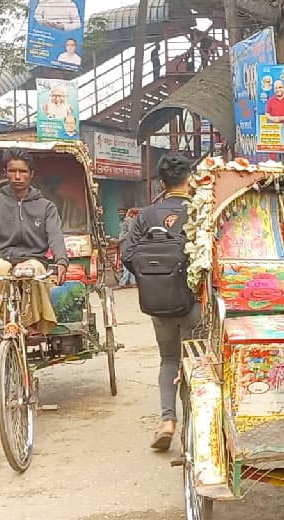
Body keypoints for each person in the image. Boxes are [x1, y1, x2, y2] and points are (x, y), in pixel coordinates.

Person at [122, 154, 200, 451]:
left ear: (162, 182)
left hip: (159, 304)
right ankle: (194, 428)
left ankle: (168, 421)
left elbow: (129, 255)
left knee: (169, 359)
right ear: (188, 179)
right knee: (195, 362)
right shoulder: (199, 211)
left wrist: (154, 278)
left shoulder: (145, 216)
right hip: (194, 303)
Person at [0, 149, 69, 334]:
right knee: (2, 269)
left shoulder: (46, 207)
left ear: (31, 174)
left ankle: (32, 325)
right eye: (12, 171)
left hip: (33, 258)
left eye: (23, 171)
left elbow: (55, 235)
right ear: (6, 173)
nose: (17, 176)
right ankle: (7, 322)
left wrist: (61, 261)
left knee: (32, 270)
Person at [117, 208, 137, 288]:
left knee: (126, 262)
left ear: (125, 212)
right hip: (122, 245)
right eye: (119, 212)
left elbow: (129, 233)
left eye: (122, 212)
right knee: (128, 262)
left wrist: (120, 240)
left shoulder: (129, 220)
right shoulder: (121, 222)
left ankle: (123, 282)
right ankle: (133, 282)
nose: (120, 214)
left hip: (128, 244)